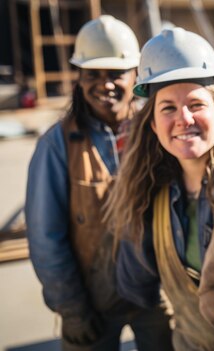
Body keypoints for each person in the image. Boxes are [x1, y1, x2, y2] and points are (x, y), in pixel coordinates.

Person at [25, 15, 173, 351]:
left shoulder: (157, 131)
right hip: (91, 299)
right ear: (79, 78)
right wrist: (72, 309)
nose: (105, 84)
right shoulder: (57, 145)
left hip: (153, 293)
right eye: (93, 74)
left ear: (135, 74)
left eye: (115, 74)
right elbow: (45, 237)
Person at [105, 27, 214, 351]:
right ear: (153, 124)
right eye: (168, 108)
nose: (183, 118)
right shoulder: (150, 194)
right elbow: (136, 286)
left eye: (196, 104)